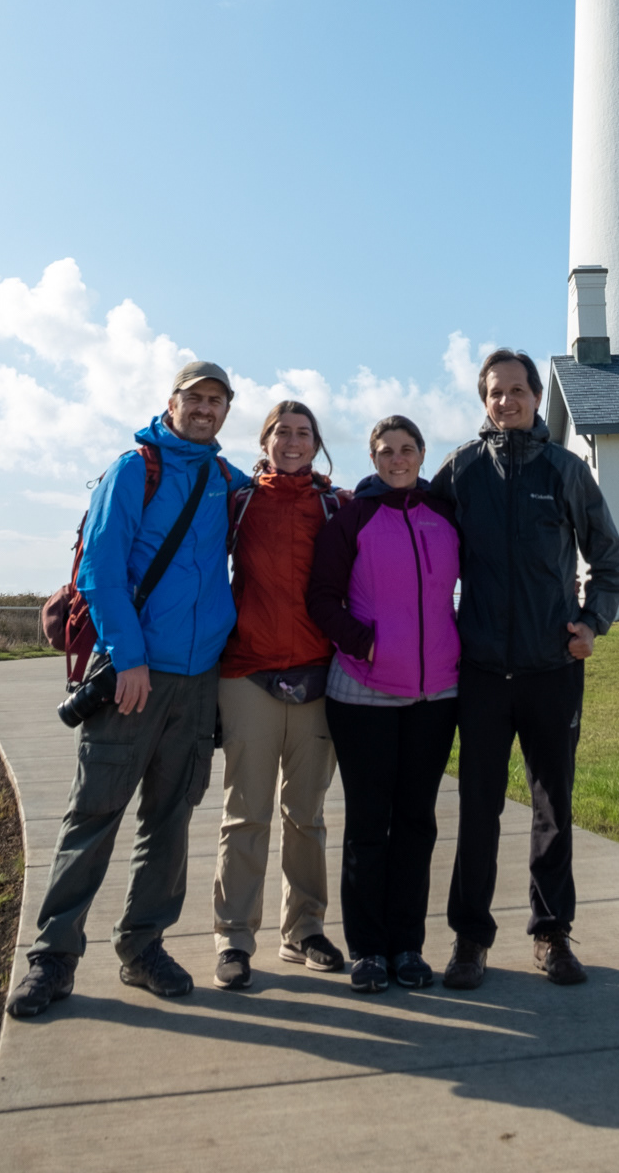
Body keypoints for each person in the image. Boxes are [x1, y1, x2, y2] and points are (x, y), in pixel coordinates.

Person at [6, 361, 249, 1019]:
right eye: (195, 398)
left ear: (226, 411)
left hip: (197, 681)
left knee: (169, 822)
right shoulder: (135, 470)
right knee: (94, 816)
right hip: (132, 676)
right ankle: (52, 958)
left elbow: (276, 496)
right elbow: (100, 570)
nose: (205, 408)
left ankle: (143, 947)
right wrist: (129, 657)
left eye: (217, 400)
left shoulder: (226, 479)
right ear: (171, 403)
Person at [429, 348, 619, 990]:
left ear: (537, 397)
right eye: (495, 392)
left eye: (517, 390)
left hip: (551, 670)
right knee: (477, 809)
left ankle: (551, 934)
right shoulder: (460, 470)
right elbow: (414, 536)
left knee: (553, 809)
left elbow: (608, 559)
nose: (506, 401)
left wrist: (591, 623)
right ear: (483, 401)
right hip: (482, 672)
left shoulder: (566, 470)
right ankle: (469, 940)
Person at [308, 414, 460, 993]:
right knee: (370, 826)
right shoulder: (353, 518)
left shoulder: (445, 515)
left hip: (436, 693)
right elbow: (322, 598)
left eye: (406, 449)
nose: (397, 459)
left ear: (422, 454)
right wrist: (367, 644)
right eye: (385, 451)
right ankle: (368, 950)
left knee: (417, 824)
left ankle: (408, 947)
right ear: (372, 459)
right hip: (362, 693)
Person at [212, 399, 347, 990]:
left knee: (306, 817)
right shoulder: (238, 502)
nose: (293, 442)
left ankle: (304, 930)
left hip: (319, 676)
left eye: (303, 433)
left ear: (316, 443)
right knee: (246, 815)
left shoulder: (336, 505)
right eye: (282, 432)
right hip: (247, 673)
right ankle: (234, 938)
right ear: (264, 441)